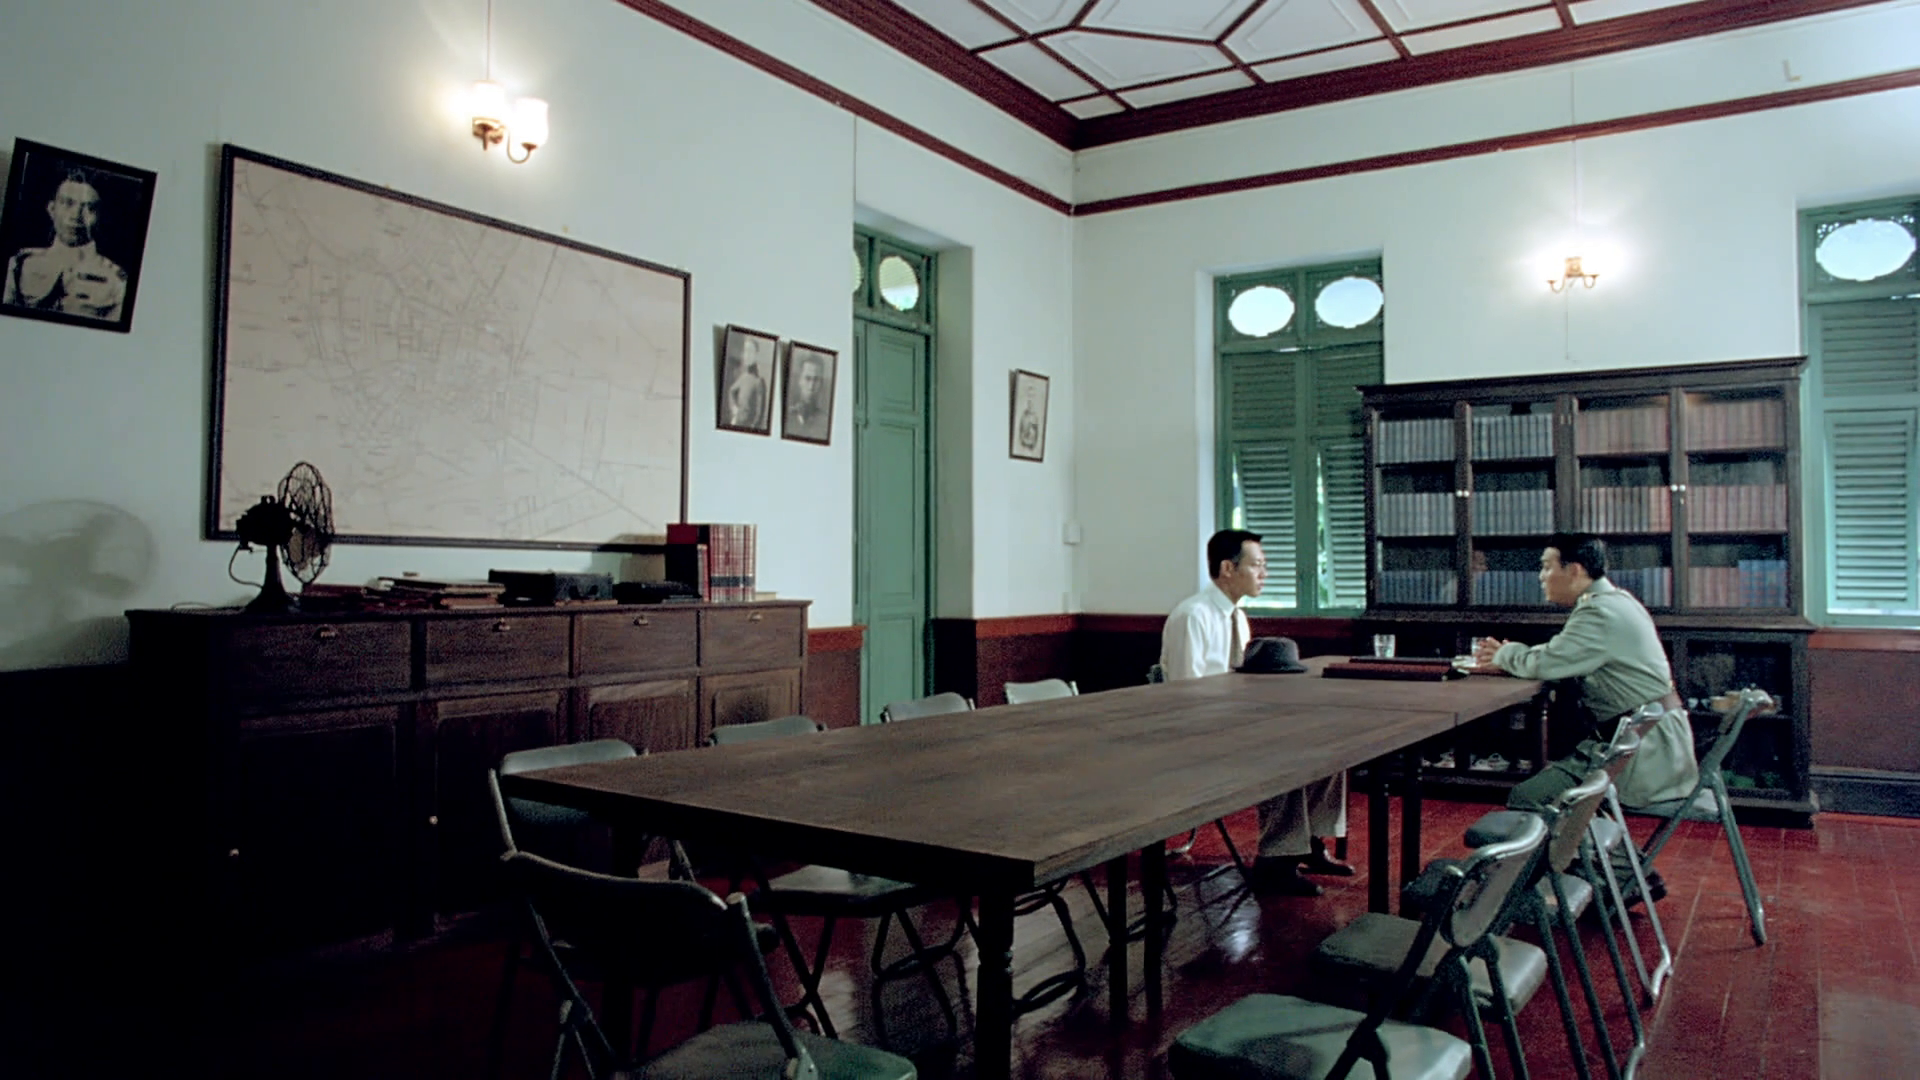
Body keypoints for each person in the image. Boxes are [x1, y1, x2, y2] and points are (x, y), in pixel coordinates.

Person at [1474, 533, 1699, 898]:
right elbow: (1562, 652)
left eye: (1547, 567)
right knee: (1566, 794)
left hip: (1644, 751)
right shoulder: (1616, 601)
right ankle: (1630, 875)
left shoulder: (1599, 612)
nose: (1541, 576)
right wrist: (1517, 655)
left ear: (1575, 570)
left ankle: (1626, 879)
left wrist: (1505, 654)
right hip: (1647, 739)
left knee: (1533, 796)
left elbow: (1548, 662)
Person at [1160, 528, 1352, 897]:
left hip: (1233, 725)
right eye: (1257, 565)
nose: (1264, 573)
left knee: (1330, 747)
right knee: (1286, 753)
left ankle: (1310, 843)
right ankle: (1276, 860)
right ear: (1227, 569)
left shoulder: (1237, 617)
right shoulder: (1192, 616)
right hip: (1196, 735)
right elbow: (1184, 697)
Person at [3, 170, 128, 320]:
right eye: (68, 204)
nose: (76, 216)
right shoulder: (19, 265)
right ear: (52, 209)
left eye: (89, 208)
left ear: (99, 216)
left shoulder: (116, 281)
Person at [783, 351, 831, 440]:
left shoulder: (826, 422)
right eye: (807, 378)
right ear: (800, 380)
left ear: (821, 383)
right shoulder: (785, 417)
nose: (811, 386)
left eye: (816, 380)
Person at [726, 338, 768, 429]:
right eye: (745, 351)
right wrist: (734, 409)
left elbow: (759, 416)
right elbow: (731, 391)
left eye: (750, 351)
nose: (747, 355)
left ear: (756, 355)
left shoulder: (759, 381)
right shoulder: (743, 377)